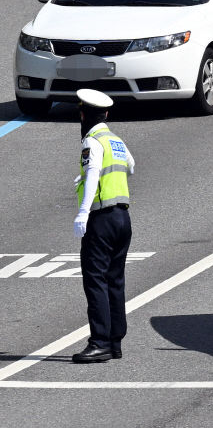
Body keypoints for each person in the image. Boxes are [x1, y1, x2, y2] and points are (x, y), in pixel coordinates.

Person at [71, 89, 134, 364]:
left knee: (95, 279)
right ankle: (115, 341)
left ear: (84, 115)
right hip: (123, 218)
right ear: (106, 114)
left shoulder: (93, 142)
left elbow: (95, 171)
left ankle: (99, 342)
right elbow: (131, 166)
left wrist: (83, 213)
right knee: (114, 279)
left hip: (102, 218)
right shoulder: (116, 141)